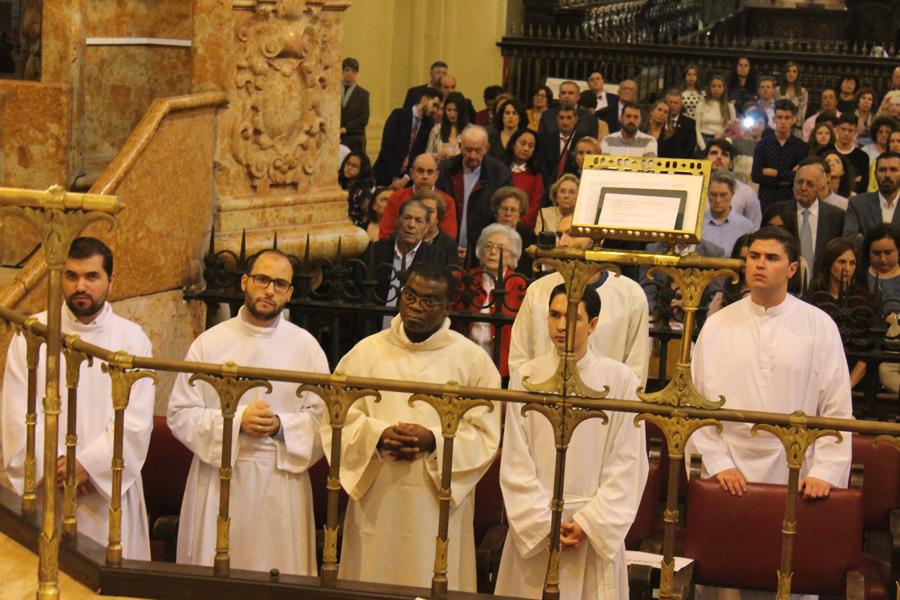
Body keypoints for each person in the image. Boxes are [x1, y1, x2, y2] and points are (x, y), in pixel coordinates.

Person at [323, 263, 501, 591]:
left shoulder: (472, 361)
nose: (416, 306)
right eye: (410, 295)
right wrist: (378, 435)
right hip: (378, 496)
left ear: (448, 306)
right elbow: (337, 419)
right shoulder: (365, 353)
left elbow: (484, 434)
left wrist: (433, 441)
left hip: (436, 503)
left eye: (429, 301)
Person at [169, 249, 328, 575]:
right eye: (262, 280)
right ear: (244, 282)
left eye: (279, 284)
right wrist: (237, 420)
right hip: (220, 475)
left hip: (281, 481)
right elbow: (181, 412)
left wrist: (280, 425)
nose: (269, 290)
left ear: (289, 293)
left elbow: (323, 418)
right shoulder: (209, 344)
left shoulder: (306, 347)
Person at [2, 237, 153, 560]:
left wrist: (88, 466)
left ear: (111, 281)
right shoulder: (32, 334)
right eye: (71, 276)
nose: (80, 286)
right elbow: (17, 414)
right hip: (48, 491)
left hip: (109, 492)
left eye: (91, 276)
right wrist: (59, 466)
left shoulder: (132, 340)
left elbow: (136, 422)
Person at [495, 283, 647, 600]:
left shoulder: (620, 380)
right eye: (554, 315)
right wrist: (542, 522)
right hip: (536, 529)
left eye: (573, 317)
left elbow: (629, 460)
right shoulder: (526, 378)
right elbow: (515, 459)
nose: (561, 325)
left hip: (591, 530)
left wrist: (592, 522)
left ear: (593, 324)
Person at [687, 225, 852, 507]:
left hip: (797, 465)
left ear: (792, 269)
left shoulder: (819, 326)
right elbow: (695, 403)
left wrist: (824, 471)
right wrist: (717, 463)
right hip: (728, 465)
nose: (760, 264)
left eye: (772, 258)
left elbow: (836, 407)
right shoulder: (717, 325)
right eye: (754, 256)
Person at [510, 213, 651, 384]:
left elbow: (637, 366)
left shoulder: (631, 295)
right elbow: (520, 355)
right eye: (560, 234)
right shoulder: (537, 290)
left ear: (599, 240)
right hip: (542, 393)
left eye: (572, 234)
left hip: (605, 397)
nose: (563, 242)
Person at [458, 224, 525, 377]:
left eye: (500, 248)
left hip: (501, 365)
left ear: (512, 255)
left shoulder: (520, 285)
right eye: (488, 246)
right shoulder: (466, 280)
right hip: (465, 360)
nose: (493, 252)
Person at [436, 125, 513, 258]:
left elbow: (503, 214)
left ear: (486, 148)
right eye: (468, 150)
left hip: (483, 251)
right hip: (445, 248)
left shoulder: (500, 173)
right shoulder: (445, 169)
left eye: (478, 150)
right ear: (460, 147)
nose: (472, 156)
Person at [363, 199, 450, 310]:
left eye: (418, 221)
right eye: (407, 218)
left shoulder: (437, 258)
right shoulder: (375, 251)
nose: (411, 225)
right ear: (397, 221)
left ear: (427, 227)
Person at [806, 237, 870, 387]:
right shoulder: (814, 295)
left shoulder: (863, 299)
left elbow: (868, 352)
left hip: (853, 373)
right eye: (842, 262)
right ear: (829, 263)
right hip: (816, 372)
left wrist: (847, 385)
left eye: (852, 263)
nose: (847, 268)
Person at [776, 158, 846, 282]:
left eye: (810, 184)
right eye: (800, 182)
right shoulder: (777, 213)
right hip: (784, 283)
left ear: (820, 187)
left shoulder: (837, 217)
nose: (803, 187)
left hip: (822, 286)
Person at [859, 224, 900, 393]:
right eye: (876, 253)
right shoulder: (860, 275)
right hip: (866, 341)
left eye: (888, 253)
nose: (882, 259)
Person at [379, 153, 457, 241]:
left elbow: (448, 239)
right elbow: (385, 235)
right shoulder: (396, 198)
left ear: (436, 175)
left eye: (430, 172)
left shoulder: (447, 201)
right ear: (412, 173)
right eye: (420, 171)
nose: (425, 176)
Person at [374, 88, 441, 188]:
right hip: (385, 174)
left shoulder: (429, 124)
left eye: (438, 107)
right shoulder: (398, 115)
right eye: (434, 105)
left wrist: (405, 178)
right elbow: (387, 147)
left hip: (409, 181)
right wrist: (394, 177)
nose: (435, 110)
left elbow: (420, 154)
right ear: (424, 99)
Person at [751, 99, 808, 211]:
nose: (783, 121)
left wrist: (775, 173)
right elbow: (756, 176)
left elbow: (800, 177)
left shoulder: (802, 147)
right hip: (766, 200)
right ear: (774, 119)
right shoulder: (763, 145)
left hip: (791, 199)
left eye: (787, 118)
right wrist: (787, 178)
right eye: (780, 117)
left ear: (794, 120)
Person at [706, 140, 762, 228]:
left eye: (725, 154)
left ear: (731, 164)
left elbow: (754, 226)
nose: (719, 157)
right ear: (705, 159)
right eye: (714, 153)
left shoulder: (746, 193)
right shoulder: (694, 188)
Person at [844, 151, 900, 238]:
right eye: (882, 170)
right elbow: (849, 237)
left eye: (893, 170)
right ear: (875, 174)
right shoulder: (857, 204)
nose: (887, 175)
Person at [702, 170, 756, 257]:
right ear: (707, 194)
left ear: (732, 194)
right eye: (713, 194)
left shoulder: (746, 226)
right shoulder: (696, 224)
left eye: (723, 195)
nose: (718, 200)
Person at [504, 128, 544, 228]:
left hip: (523, 227)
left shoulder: (536, 176)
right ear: (513, 144)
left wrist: (519, 223)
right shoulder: (500, 169)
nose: (526, 149)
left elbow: (535, 205)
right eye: (522, 143)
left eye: (531, 146)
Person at [490, 186, 536, 274]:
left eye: (513, 210)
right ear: (497, 211)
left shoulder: (529, 237)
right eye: (504, 209)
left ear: (520, 215)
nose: (508, 214)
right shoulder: (486, 234)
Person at [696, 74, 736, 152]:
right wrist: (703, 147)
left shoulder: (730, 106)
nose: (716, 89)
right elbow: (697, 128)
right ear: (709, 88)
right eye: (713, 86)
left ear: (724, 89)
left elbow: (732, 130)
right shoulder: (701, 105)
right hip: (704, 139)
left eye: (719, 86)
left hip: (721, 141)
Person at [426, 91, 469, 162]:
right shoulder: (436, 130)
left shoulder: (470, 131)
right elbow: (427, 154)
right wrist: (436, 156)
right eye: (449, 110)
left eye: (455, 110)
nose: (452, 114)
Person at [417, 189, 459, 260]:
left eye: (430, 211)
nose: (425, 214)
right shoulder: (406, 238)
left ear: (439, 215)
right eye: (422, 209)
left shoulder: (448, 245)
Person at [340, 57, 370, 154]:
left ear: (356, 73)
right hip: (335, 138)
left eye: (353, 71)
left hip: (354, 139)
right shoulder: (333, 91)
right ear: (342, 71)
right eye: (347, 70)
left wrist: (346, 129)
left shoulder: (363, 94)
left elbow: (364, 119)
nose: (349, 73)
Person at [833, 113, 870, 193]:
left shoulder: (863, 157)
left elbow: (863, 186)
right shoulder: (826, 151)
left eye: (850, 130)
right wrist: (853, 181)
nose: (846, 133)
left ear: (855, 132)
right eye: (843, 129)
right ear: (837, 129)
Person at [339, 151, 375, 228]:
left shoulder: (363, 192)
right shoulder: (338, 183)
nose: (349, 168)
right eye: (348, 163)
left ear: (362, 169)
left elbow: (366, 218)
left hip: (354, 228)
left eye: (354, 166)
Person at [775, 61, 808, 133]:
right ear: (784, 73)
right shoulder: (777, 90)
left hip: (796, 128)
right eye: (788, 71)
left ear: (798, 74)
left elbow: (802, 114)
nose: (791, 74)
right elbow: (774, 110)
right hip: (779, 127)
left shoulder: (803, 92)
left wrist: (791, 122)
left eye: (794, 71)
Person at [665, 88, 698, 159]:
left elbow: (690, 147)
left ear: (681, 106)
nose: (673, 105)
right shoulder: (661, 121)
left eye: (676, 103)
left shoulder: (689, 123)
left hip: (681, 161)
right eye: (671, 102)